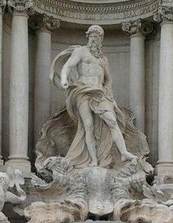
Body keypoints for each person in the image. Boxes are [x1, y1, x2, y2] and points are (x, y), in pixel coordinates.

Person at [50, 25, 137, 168]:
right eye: (91, 36)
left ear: (101, 39)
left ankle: (124, 152)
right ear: (88, 37)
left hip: (100, 93)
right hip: (82, 91)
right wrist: (64, 79)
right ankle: (93, 160)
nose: (93, 39)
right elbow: (67, 66)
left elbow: (108, 80)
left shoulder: (103, 59)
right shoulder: (80, 51)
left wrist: (109, 95)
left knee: (112, 121)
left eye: (96, 36)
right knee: (88, 125)